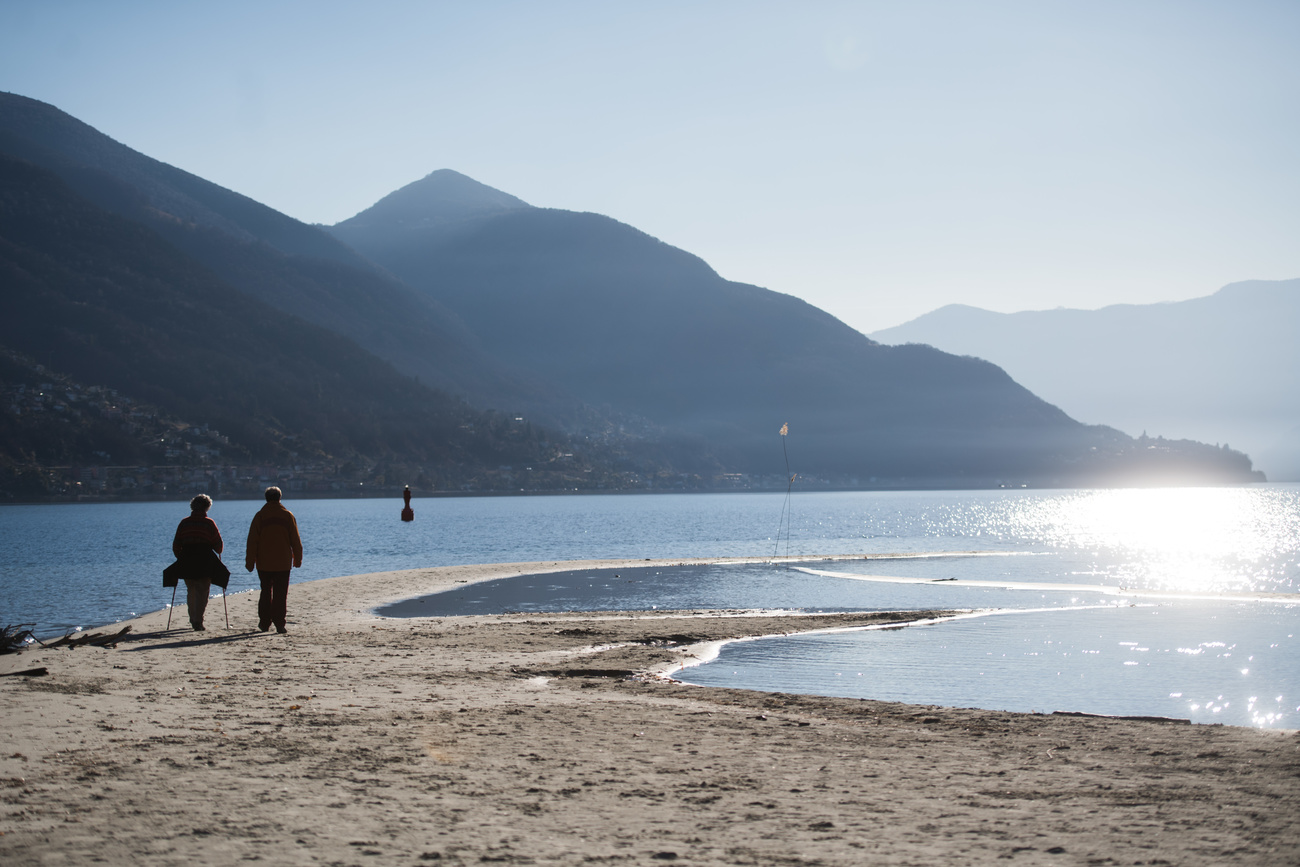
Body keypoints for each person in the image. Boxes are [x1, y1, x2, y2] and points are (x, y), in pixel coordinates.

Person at [165, 494, 229, 631]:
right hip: (204, 563)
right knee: (202, 591)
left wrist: (181, 558)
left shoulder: (184, 523)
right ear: (207, 507)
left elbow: (176, 545)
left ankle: (193, 618)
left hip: (187, 561)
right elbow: (219, 547)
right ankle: (198, 620)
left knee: (191, 590)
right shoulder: (209, 523)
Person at [245, 486, 303, 634]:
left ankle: (264, 623)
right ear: (279, 498)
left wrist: (250, 562)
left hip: (264, 562)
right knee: (280, 594)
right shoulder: (287, 516)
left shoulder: (260, 516)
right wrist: (297, 559)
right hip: (283, 562)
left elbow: (252, 541)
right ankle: (279, 624)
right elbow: (295, 540)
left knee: (265, 592)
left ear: (266, 498)